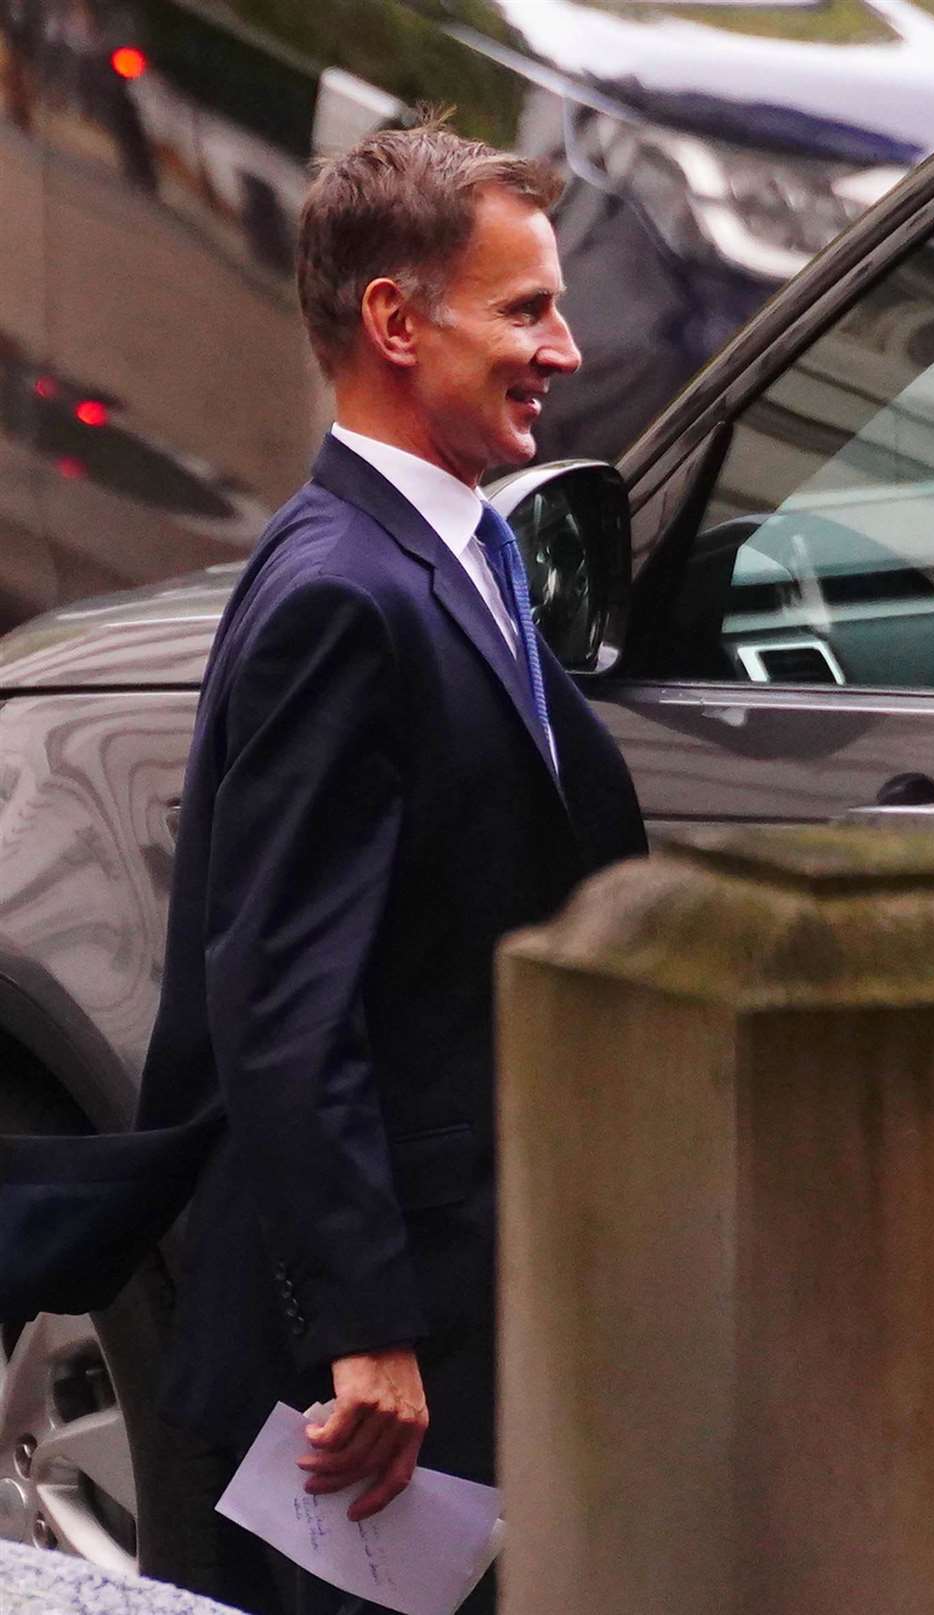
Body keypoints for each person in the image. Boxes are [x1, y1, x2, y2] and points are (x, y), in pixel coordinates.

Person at [1, 118, 646, 1615]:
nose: (564, 344)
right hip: (370, 1365)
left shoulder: (454, 554)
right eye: (527, 309)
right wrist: (370, 1327)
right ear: (395, 323)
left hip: (466, 1297)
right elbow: (286, 999)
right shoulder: (338, 600)